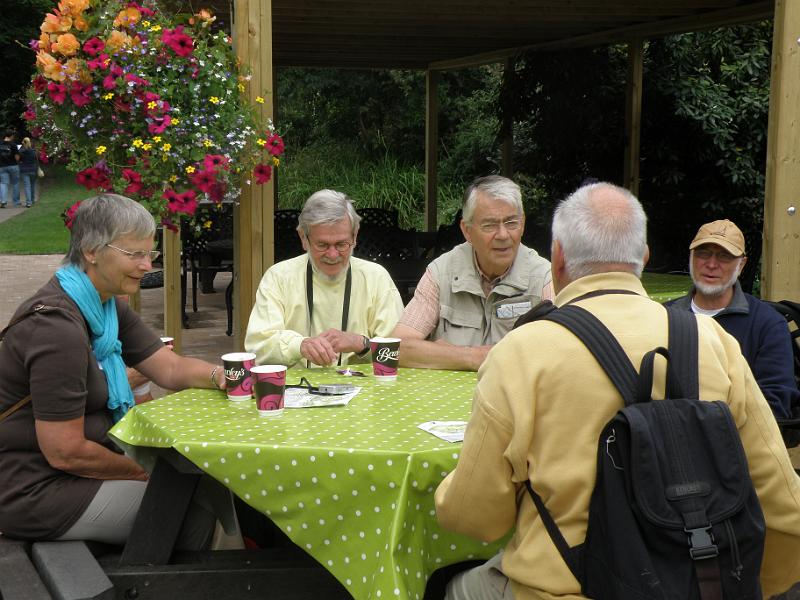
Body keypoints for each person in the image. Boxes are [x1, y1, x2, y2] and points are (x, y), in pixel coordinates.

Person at [434, 182, 800, 600]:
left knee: (458, 587)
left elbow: (476, 519)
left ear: (557, 258)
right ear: (643, 258)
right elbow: (785, 511)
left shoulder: (519, 353)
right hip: (701, 583)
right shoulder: (714, 342)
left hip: (563, 588)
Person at [0, 193, 225, 546]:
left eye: (149, 254)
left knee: (204, 487)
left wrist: (227, 377)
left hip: (70, 476)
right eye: (134, 254)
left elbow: (169, 367)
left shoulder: (102, 307)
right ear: (91, 250)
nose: (147, 266)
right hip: (33, 489)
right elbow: (65, 451)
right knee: (192, 512)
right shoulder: (56, 329)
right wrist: (144, 472)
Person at [391, 175, 552, 371]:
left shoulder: (544, 277)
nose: (503, 235)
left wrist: (443, 353)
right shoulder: (441, 273)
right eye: (490, 225)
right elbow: (396, 348)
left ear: (523, 224)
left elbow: (561, 352)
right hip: (445, 399)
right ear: (467, 230)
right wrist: (473, 357)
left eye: (511, 222)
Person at [244, 189, 404, 368]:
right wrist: (299, 346)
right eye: (322, 245)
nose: (333, 254)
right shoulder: (278, 277)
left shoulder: (376, 277)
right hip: (296, 389)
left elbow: (401, 349)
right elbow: (257, 347)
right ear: (303, 238)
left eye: (342, 244)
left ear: (355, 236)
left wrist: (361, 343)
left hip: (365, 390)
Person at [667, 219, 799, 420]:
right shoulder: (663, 316)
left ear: (742, 265)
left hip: (736, 445)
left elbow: (776, 402)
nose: (711, 264)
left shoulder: (768, 324)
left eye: (724, 256)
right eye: (703, 253)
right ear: (691, 257)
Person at [0, 129, 20, 208]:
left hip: (2, 167)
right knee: (15, 183)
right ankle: (16, 202)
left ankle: (3, 201)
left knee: (3, 183)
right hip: (13, 166)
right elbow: (17, 158)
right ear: (11, 136)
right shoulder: (13, 145)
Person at [18, 136, 38, 208]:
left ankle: (28, 202)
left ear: (23, 143)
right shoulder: (33, 151)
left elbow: (18, 160)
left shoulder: (21, 151)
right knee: (32, 185)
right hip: (33, 169)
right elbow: (36, 160)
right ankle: (32, 200)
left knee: (27, 186)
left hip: (24, 170)